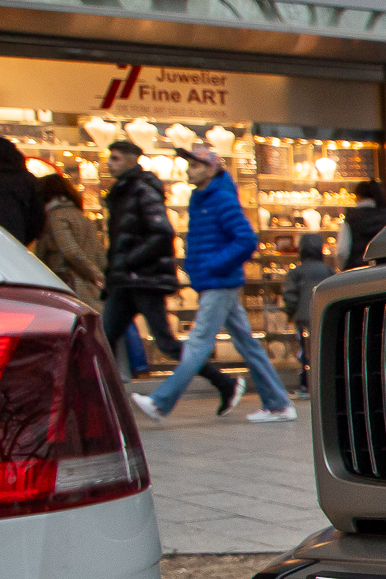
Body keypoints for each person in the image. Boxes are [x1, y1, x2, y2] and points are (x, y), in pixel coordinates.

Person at [133, 146, 296, 423]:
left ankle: (160, 402)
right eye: (189, 165)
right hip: (215, 281)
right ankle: (279, 403)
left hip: (219, 282)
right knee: (248, 344)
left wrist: (214, 265)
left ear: (211, 169)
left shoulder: (220, 199)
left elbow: (245, 239)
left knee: (198, 343)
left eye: (195, 165)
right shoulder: (202, 198)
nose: (189, 169)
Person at [101, 139, 239, 413]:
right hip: (127, 281)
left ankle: (224, 383)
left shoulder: (142, 190)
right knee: (103, 339)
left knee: (165, 342)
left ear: (131, 160)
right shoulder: (122, 191)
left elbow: (163, 233)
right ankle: (99, 401)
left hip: (144, 279)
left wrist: (128, 262)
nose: (109, 163)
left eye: (115, 158)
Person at [32, 171, 105, 304]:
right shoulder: (82, 217)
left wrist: (95, 274)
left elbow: (70, 251)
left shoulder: (55, 217)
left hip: (67, 286)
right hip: (89, 289)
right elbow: (99, 253)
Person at [280, 233, 334, 378]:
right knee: (323, 350)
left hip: (303, 317)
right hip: (324, 316)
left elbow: (290, 295)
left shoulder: (296, 272)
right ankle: (323, 378)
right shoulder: (328, 270)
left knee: (305, 351)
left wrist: (290, 312)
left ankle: (306, 382)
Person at [338, 179, 386, 269]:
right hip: (383, 270)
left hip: (357, 271)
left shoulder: (351, 218)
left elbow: (342, 252)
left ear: (357, 196)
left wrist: (343, 270)